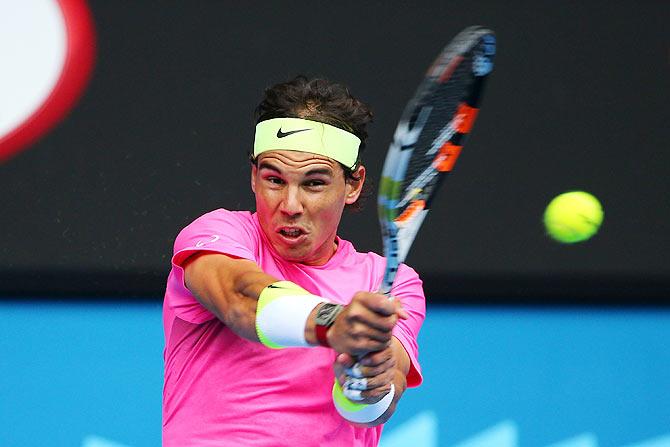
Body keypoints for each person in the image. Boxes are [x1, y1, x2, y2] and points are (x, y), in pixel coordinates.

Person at [162, 76, 426, 446]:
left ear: (352, 185)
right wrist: (335, 323)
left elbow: (380, 402)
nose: (289, 205)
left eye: (314, 183)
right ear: (254, 177)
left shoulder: (392, 282)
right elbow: (241, 300)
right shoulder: (218, 234)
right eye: (274, 180)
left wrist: (365, 383)